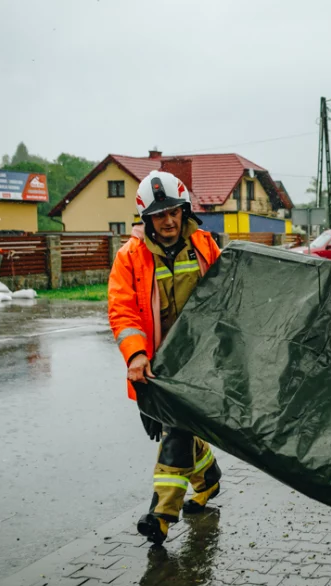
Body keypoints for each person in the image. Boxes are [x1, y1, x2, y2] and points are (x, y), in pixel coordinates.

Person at [108, 170, 223, 546]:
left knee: (176, 429)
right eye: (159, 215)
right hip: (157, 365)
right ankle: (208, 478)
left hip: (199, 360)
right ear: (147, 218)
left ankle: (161, 515)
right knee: (181, 427)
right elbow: (122, 311)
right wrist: (136, 356)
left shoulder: (204, 245)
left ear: (184, 210)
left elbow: (226, 296)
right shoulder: (129, 257)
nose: (169, 221)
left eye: (174, 212)